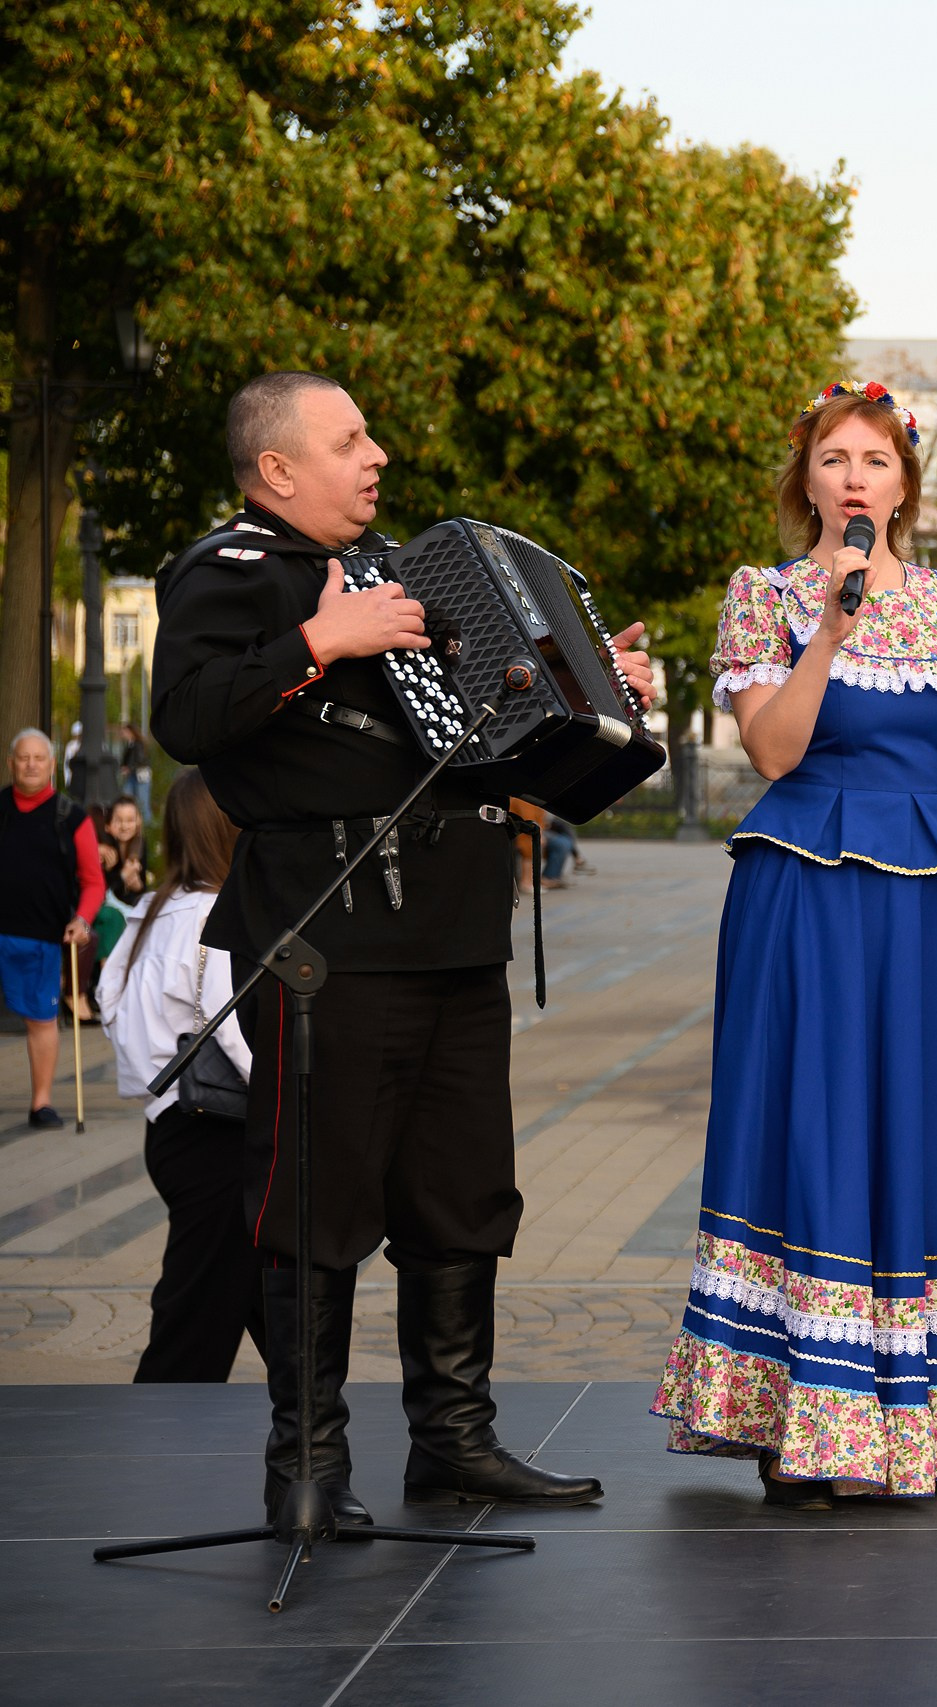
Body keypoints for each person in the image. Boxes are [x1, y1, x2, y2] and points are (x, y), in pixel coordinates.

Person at [153, 370, 652, 1530]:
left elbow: (495, 751)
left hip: (454, 927)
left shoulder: (411, 575)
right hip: (327, 932)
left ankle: (455, 1441)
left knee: (460, 1195)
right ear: (279, 469)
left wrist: (592, 692)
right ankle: (309, 1465)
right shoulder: (229, 573)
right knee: (315, 1203)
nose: (376, 454)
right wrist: (319, 639)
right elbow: (183, 719)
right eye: (348, 439)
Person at [650, 378, 937, 1505]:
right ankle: (793, 1417)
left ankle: (908, 1411)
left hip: (919, 907)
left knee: (915, 1131)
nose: (854, 476)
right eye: (833, 459)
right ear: (804, 480)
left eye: (874, 459)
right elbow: (771, 752)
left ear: (903, 483)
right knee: (803, 1124)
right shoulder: (763, 596)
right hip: (801, 897)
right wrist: (830, 626)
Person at [98, 769, 266, 1382]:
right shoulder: (217, 916)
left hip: (168, 1125)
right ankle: (163, 1421)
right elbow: (229, 1026)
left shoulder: (150, 908)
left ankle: (310, 1403)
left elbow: (106, 996)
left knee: (252, 1286)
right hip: (217, 1134)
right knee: (196, 1311)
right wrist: (284, 1094)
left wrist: (151, 1069)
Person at [2, 730, 103, 1130]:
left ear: (51, 764)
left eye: (38, 758)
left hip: (42, 937)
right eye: (23, 757)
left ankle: (40, 1102)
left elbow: (94, 881)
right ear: (11, 763)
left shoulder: (70, 816)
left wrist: (82, 919)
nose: (30, 764)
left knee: (41, 1021)